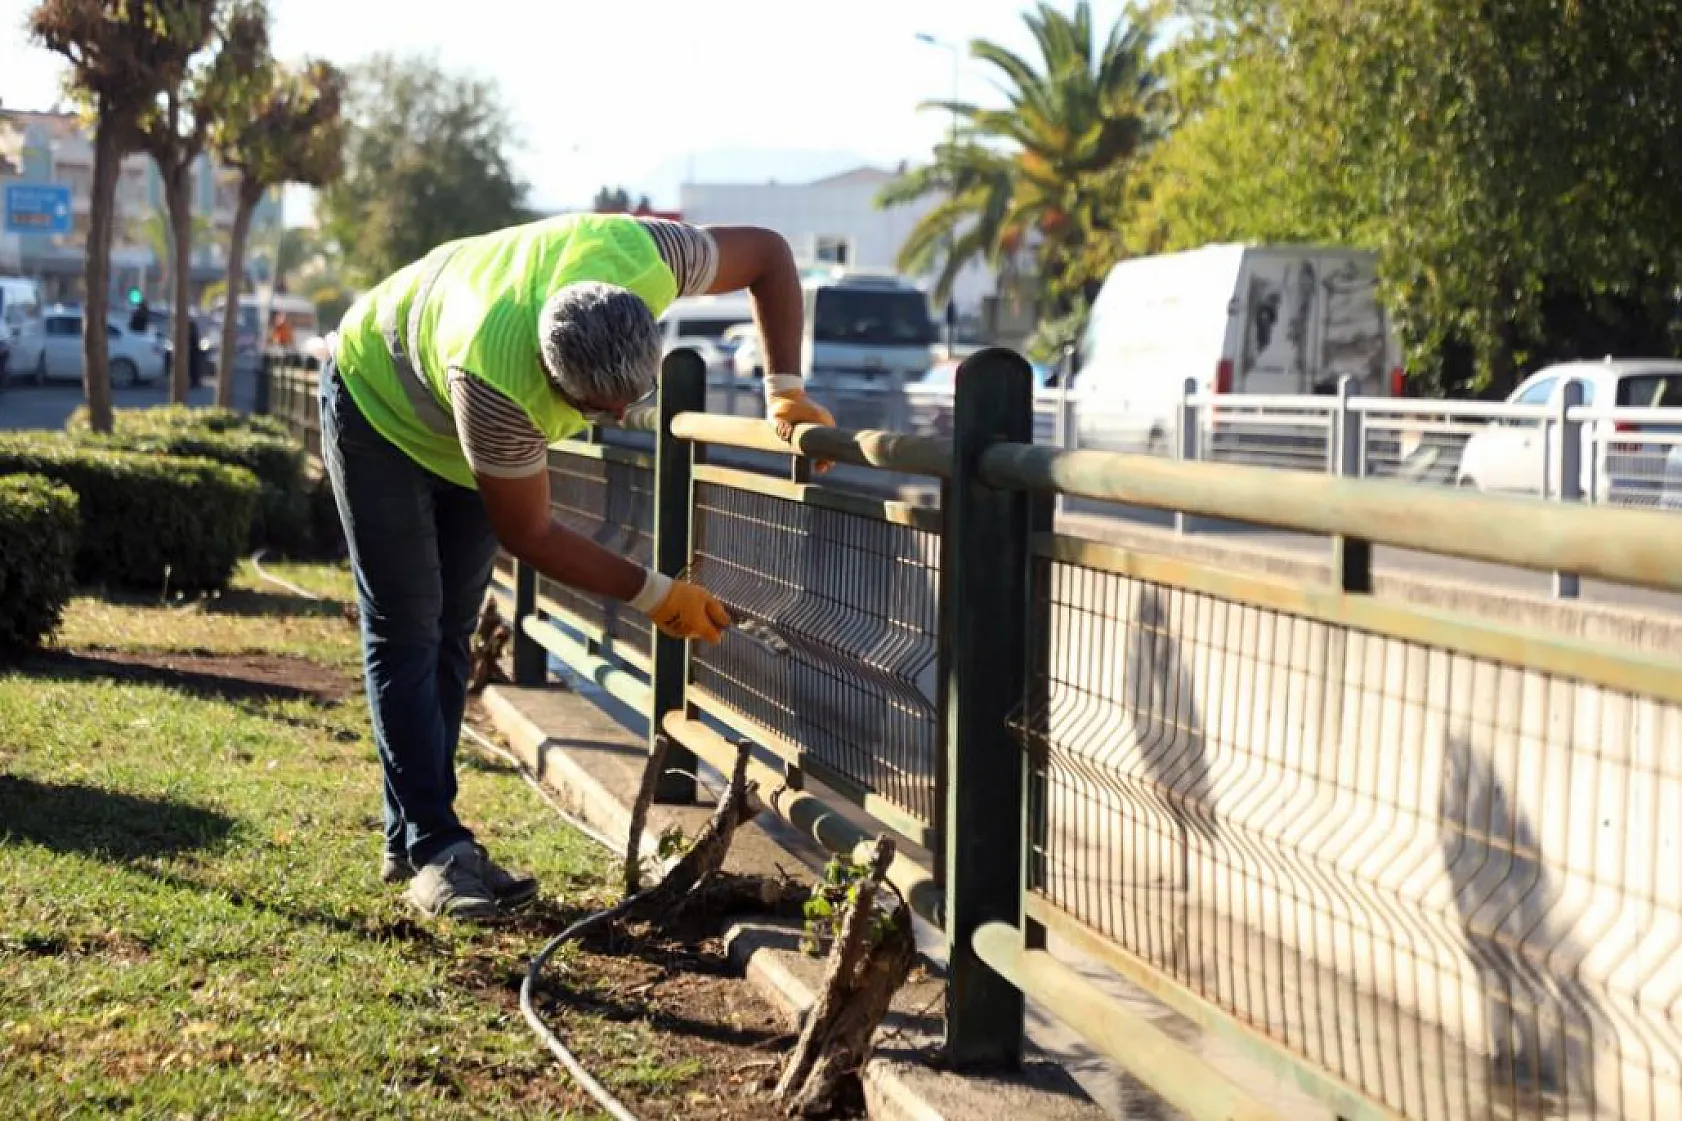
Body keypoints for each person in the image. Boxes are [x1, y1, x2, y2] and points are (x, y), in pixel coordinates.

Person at [321, 212, 835, 921]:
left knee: (448, 633)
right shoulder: (499, 379)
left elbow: (772, 252)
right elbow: (529, 532)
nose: (621, 415)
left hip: (452, 383)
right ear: (551, 376)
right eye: (597, 409)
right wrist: (657, 594)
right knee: (408, 626)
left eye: (635, 398)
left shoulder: (647, 256)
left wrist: (784, 384)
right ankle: (436, 847)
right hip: (381, 405)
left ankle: (414, 835)